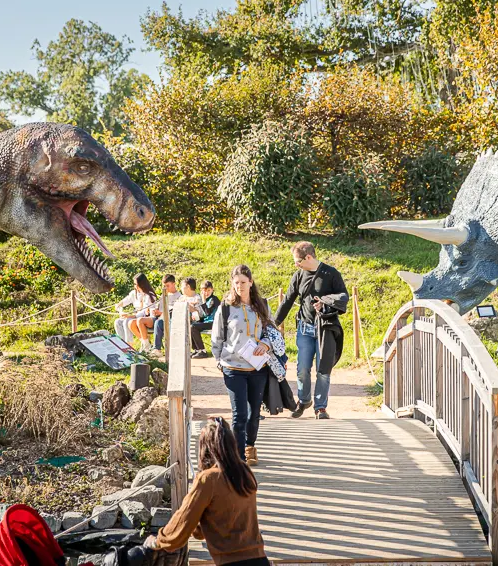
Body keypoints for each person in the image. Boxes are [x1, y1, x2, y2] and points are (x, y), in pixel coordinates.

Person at [143, 416, 268, 566]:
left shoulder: (208, 479)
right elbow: (201, 529)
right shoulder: (245, 472)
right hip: (260, 559)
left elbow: (182, 524)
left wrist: (157, 541)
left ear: (205, 448)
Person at [273, 241, 348, 420]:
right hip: (304, 328)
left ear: (308, 257)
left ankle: (320, 407)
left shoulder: (331, 273)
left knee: (323, 370)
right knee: (302, 368)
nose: (295, 264)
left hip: (325, 329)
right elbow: (287, 301)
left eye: (298, 261)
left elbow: (343, 296)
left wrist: (325, 301)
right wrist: (274, 323)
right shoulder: (298, 275)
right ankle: (304, 400)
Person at [212, 264, 278, 465]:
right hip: (233, 367)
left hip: (257, 367)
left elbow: (272, 332)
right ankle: (238, 457)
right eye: (236, 282)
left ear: (250, 282)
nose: (239, 286)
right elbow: (217, 337)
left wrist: (266, 345)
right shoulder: (225, 307)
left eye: (243, 282)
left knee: (254, 413)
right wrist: (220, 361)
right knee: (239, 414)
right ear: (232, 283)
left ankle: (250, 447)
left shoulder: (262, 305)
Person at [115, 273, 157, 350]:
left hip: (144, 317)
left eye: (137, 284)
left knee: (127, 321)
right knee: (117, 322)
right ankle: (122, 345)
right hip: (136, 317)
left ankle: (129, 346)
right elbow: (126, 300)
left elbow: (145, 312)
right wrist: (119, 305)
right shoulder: (134, 293)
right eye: (134, 284)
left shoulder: (149, 295)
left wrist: (130, 316)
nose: (135, 286)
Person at [151, 274, 181, 354]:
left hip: (173, 320)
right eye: (164, 286)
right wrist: (155, 311)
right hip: (162, 319)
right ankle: (157, 349)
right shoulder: (163, 296)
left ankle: (172, 349)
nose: (166, 288)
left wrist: (161, 313)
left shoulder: (179, 296)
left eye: (168, 286)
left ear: (174, 284)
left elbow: (175, 311)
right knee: (158, 323)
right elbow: (159, 308)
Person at [190, 280, 220, 359]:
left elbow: (208, 313)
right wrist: (197, 319)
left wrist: (203, 301)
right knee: (191, 326)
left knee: (193, 327)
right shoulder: (206, 300)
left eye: (208, 290)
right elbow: (204, 316)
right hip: (207, 322)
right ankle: (197, 350)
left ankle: (203, 351)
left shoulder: (214, 299)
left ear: (212, 290)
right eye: (204, 291)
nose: (206, 293)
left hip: (214, 323)